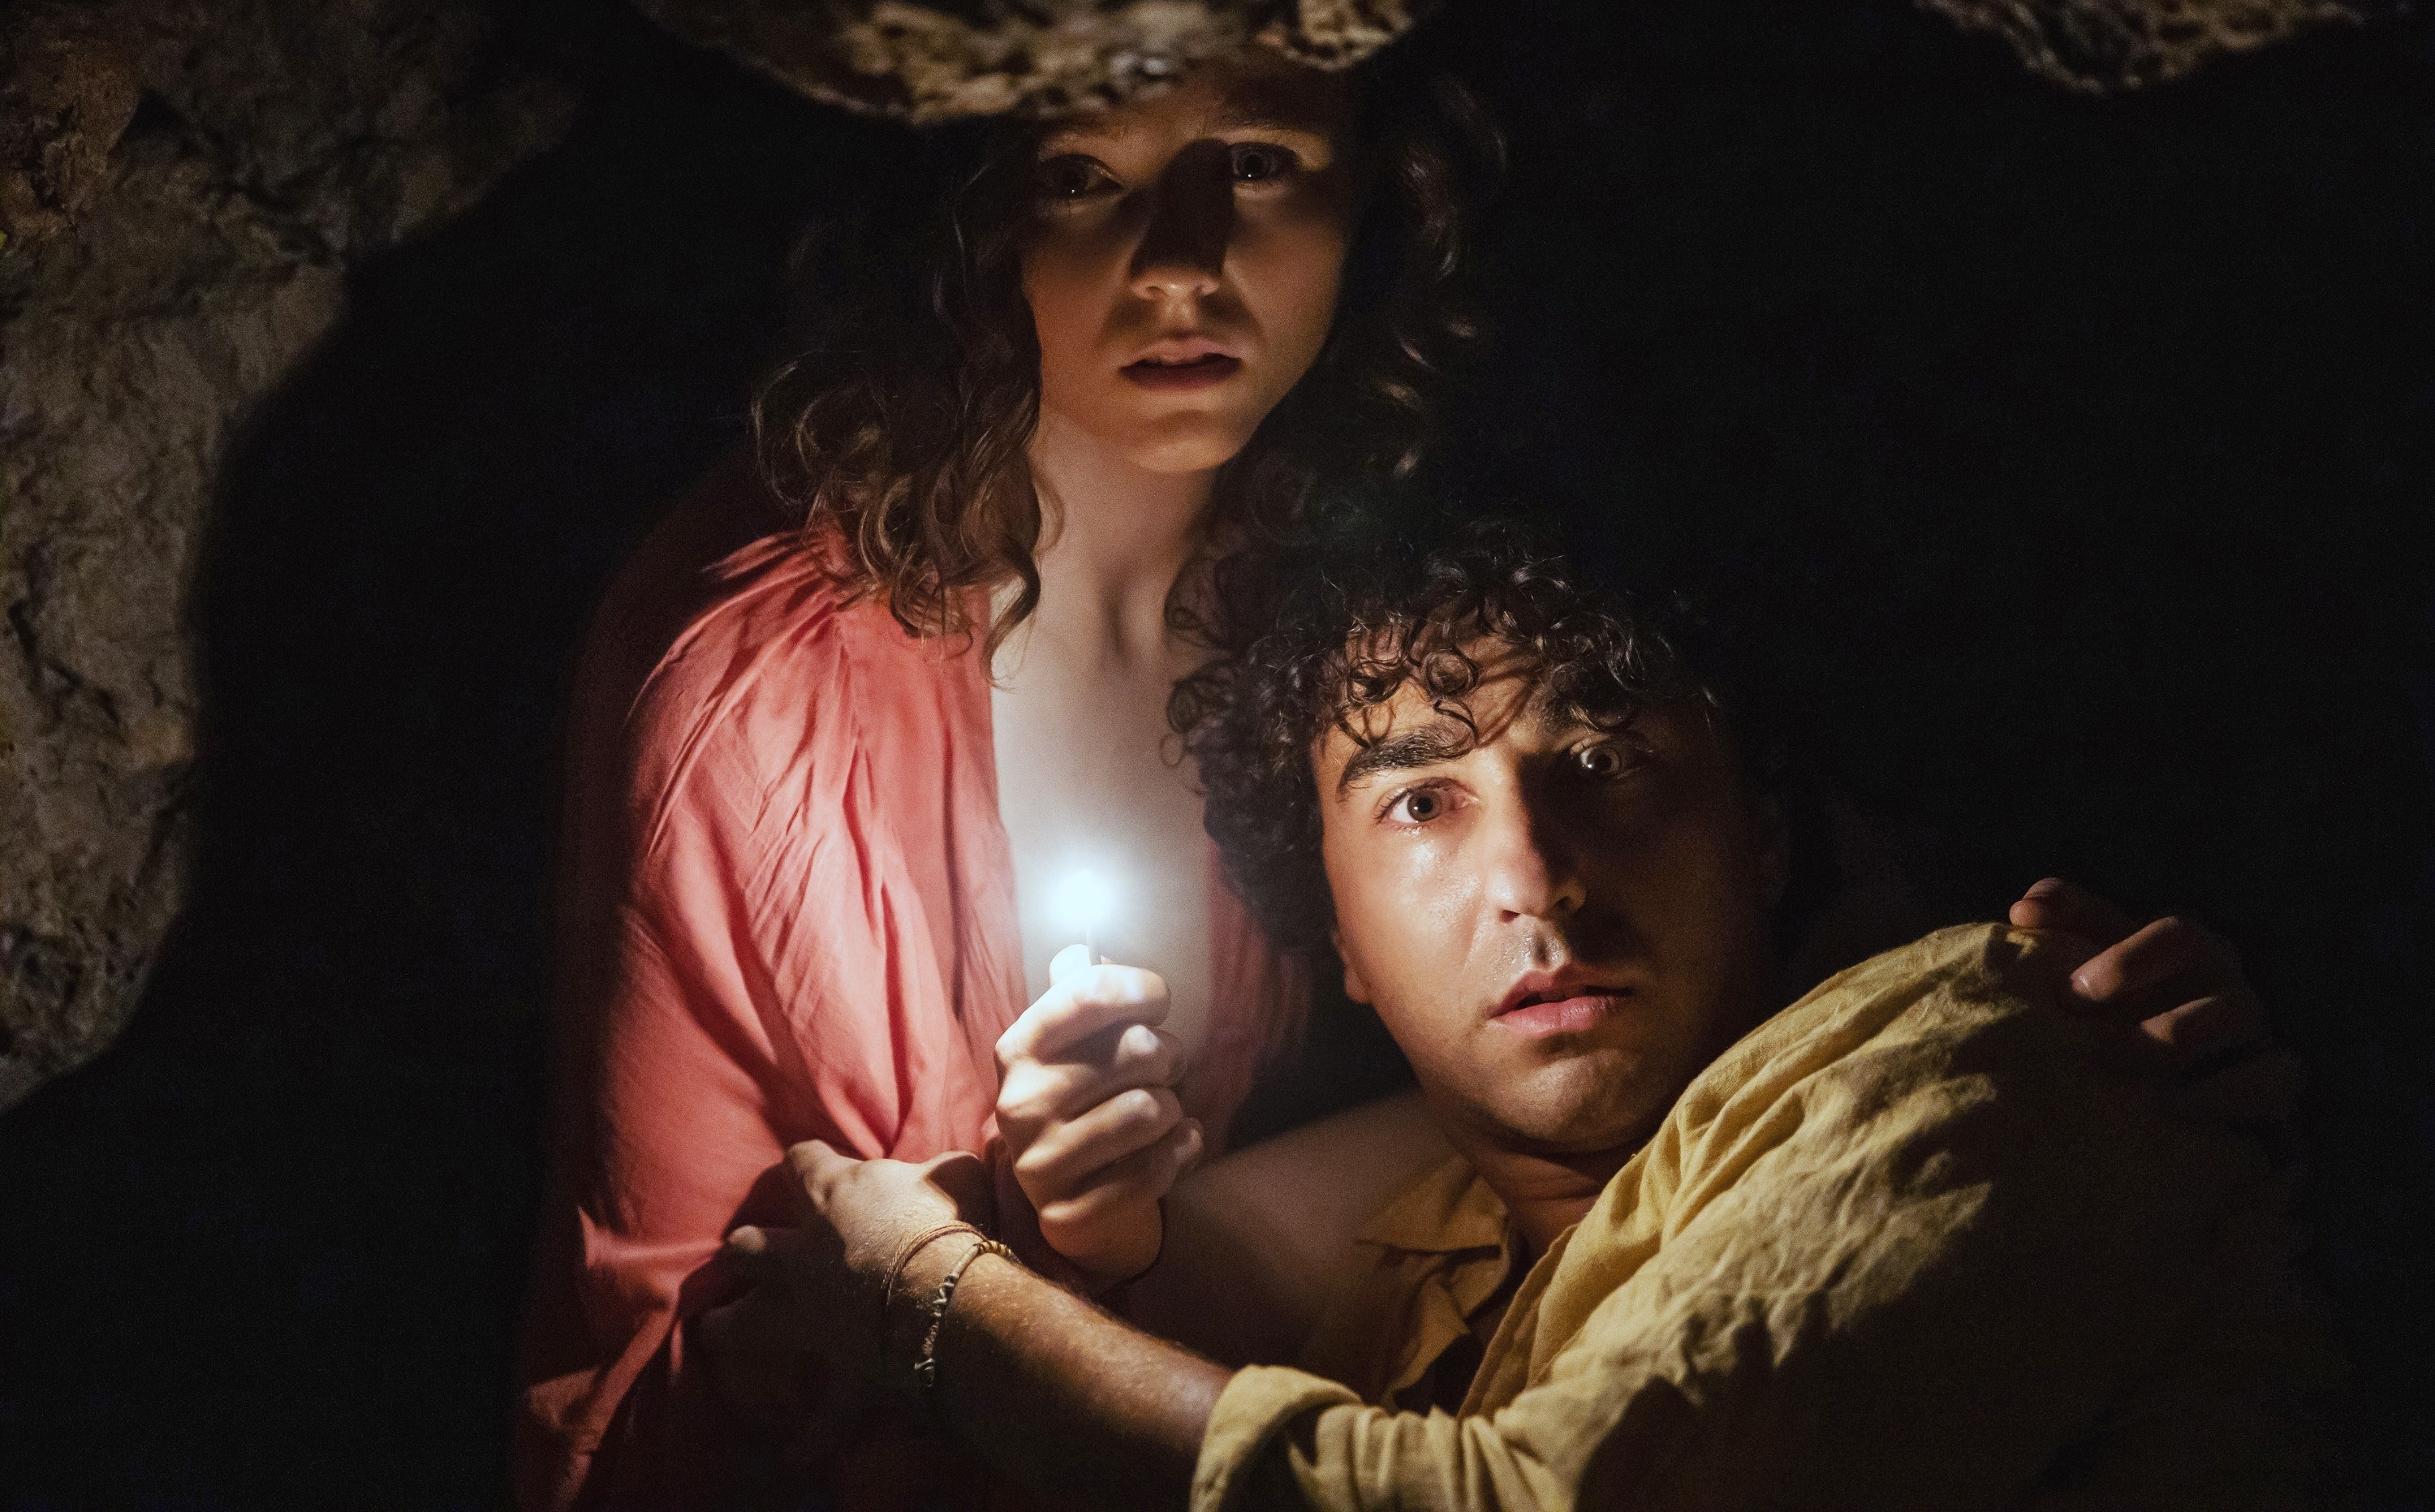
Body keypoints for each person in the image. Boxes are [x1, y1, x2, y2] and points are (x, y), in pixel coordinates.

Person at [713, 512, 2325, 1510]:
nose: (1537, 877)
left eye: (1604, 763)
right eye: (1422, 804)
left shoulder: (1975, 1043)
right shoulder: (1435, 1257)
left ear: (1758, 829)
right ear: (1337, 937)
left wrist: (931, 1292)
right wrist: (1043, 1238)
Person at [515, 47, 1502, 1510]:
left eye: (1255, 162)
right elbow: (673, 1348)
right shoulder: (760, 681)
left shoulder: (1334, 614)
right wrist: (995, 1263)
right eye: (1082, 178)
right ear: (968, 226)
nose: (1184, 267)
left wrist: (1082, 1253)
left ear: (1374, 190)